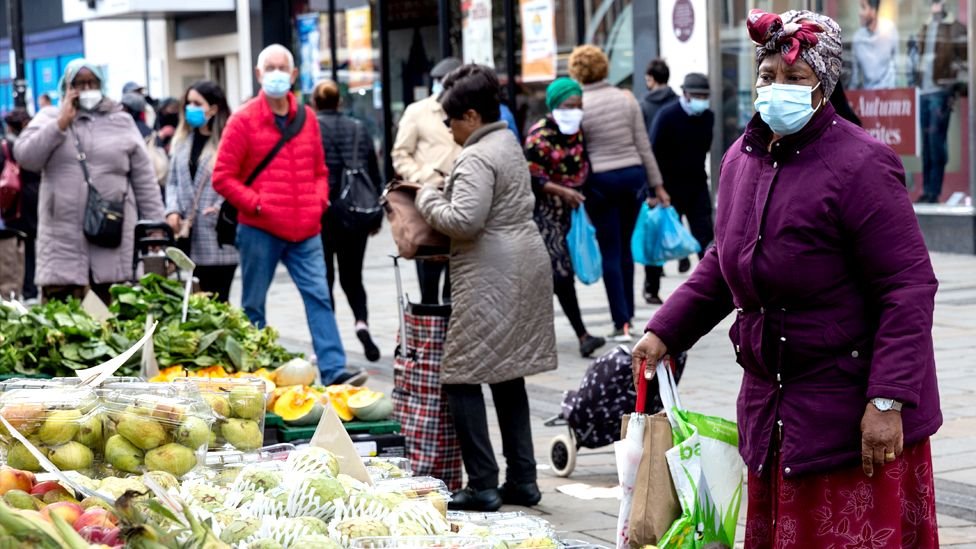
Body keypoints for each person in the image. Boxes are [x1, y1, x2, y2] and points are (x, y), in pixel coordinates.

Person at [632, 10, 941, 547]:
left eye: (795, 79)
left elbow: (907, 286)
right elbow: (721, 260)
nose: (778, 88)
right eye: (768, 76)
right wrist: (665, 332)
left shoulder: (862, 164)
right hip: (770, 408)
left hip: (851, 416)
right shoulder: (739, 160)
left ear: (824, 86)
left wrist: (888, 401)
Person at [416, 64, 557, 511]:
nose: (448, 127)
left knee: (460, 376)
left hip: (490, 273)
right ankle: (524, 479)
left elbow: (465, 220)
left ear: (471, 116)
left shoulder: (477, 155)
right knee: (506, 372)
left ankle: (482, 484)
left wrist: (426, 196)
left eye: (450, 119)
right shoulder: (507, 140)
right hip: (522, 261)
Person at [213, 44, 364, 387]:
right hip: (259, 228)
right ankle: (255, 373)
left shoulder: (307, 118)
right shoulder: (243, 120)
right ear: (258, 74)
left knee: (319, 298)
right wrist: (257, 204)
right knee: (253, 305)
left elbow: (320, 170)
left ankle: (335, 368)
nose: (277, 74)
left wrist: (318, 201)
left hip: (305, 228)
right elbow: (222, 176)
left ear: (294, 75)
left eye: (283, 67)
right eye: (270, 68)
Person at [14, 59, 165, 304]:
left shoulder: (121, 121)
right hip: (62, 241)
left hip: (112, 235)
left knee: (113, 324)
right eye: (79, 83)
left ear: (101, 85)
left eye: (91, 82)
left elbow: (145, 181)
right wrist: (60, 123)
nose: (86, 89)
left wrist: (156, 227)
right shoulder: (49, 117)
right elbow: (26, 156)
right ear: (66, 87)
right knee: (64, 328)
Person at [568, 44, 669, 342]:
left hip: (601, 182)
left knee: (610, 249)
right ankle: (629, 319)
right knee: (626, 248)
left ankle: (620, 320)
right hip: (633, 177)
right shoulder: (626, 100)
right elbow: (643, 146)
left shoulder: (580, 105)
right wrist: (658, 186)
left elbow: (580, 151)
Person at [524, 78, 606, 358]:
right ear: (555, 106)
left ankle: (536, 335)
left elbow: (584, 166)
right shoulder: (539, 135)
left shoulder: (577, 132)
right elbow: (533, 177)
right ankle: (582, 335)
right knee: (560, 275)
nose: (575, 111)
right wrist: (562, 191)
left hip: (571, 212)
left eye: (579, 106)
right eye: (570, 106)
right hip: (545, 213)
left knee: (558, 273)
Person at [312, 79, 383, 362]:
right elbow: (373, 171)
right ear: (339, 102)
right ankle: (361, 323)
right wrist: (376, 210)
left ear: (314, 104)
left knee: (324, 278)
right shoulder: (358, 128)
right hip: (355, 211)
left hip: (323, 212)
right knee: (353, 276)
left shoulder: (311, 129)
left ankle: (329, 341)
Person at [391, 56, 462, 304]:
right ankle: (432, 333)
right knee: (430, 271)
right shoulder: (418, 112)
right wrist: (423, 176)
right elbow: (400, 154)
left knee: (459, 276)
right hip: (430, 196)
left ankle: (452, 331)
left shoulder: (467, 112)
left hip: (463, 197)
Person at [164, 80, 238, 302]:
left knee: (217, 299)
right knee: (193, 300)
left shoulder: (228, 141)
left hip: (216, 232)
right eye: (188, 103)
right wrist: (172, 210)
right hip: (186, 234)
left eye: (197, 103)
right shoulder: (182, 141)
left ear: (214, 109)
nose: (190, 108)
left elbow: (237, 179)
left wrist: (219, 207)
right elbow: (173, 181)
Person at [645, 73, 715, 304]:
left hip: (696, 184)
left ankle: (714, 286)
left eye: (704, 96)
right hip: (668, 187)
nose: (701, 100)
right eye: (696, 95)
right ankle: (651, 288)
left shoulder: (708, 117)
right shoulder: (667, 115)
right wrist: (653, 190)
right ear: (685, 94)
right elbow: (652, 152)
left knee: (705, 235)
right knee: (658, 236)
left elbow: (704, 148)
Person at [915, 0, 967, 203]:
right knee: (927, 143)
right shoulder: (926, 26)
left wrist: (953, 88)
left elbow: (964, 64)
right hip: (924, 91)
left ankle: (934, 191)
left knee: (936, 142)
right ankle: (927, 190)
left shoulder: (955, 28)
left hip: (940, 91)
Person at [639, 58, 681, 304]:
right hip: (680, 175)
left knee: (653, 232)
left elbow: (645, 147)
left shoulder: (643, 106)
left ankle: (651, 287)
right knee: (681, 220)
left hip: (656, 177)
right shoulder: (678, 103)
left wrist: (650, 184)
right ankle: (684, 256)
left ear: (651, 79)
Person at [0, 109, 42, 301]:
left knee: (14, 246)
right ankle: (30, 288)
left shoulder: (5, 147)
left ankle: (15, 288)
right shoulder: (34, 143)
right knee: (31, 246)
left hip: (15, 200)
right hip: (33, 198)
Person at [851, 0, 899, 90]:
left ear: (873, 11)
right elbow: (855, 78)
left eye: (863, 7)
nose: (859, 13)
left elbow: (897, 68)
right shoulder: (857, 39)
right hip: (867, 98)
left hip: (889, 97)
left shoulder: (889, 30)